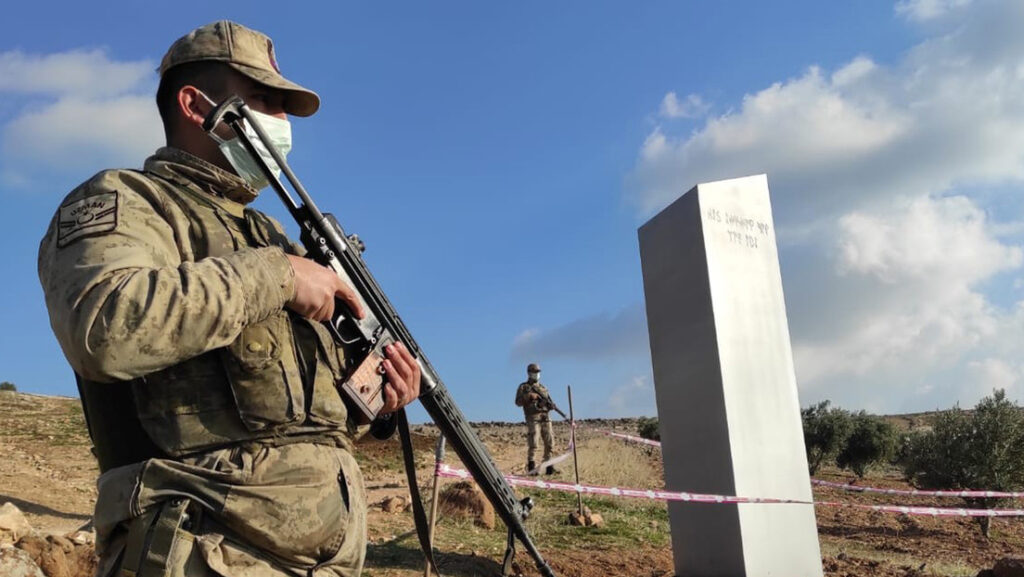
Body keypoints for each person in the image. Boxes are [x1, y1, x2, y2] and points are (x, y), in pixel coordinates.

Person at [37, 21, 421, 577]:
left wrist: (378, 404)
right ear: (195, 105)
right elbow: (104, 328)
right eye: (265, 100)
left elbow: (302, 418)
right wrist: (278, 277)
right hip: (202, 549)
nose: (281, 123)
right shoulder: (125, 200)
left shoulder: (269, 235)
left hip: (327, 559)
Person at [514, 363, 558, 475]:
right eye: (534, 372)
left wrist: (550, 406)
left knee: (550, 442)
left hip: (545, 416)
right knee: (534, 442)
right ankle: (532, 467)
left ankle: (549, 467)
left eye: (538, 372)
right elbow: (518, 402)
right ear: (529, 373)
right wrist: (529, 397)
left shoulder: (543, 388)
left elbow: (548, 402)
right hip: (533, 417)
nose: (536, 374)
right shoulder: (524, 387)